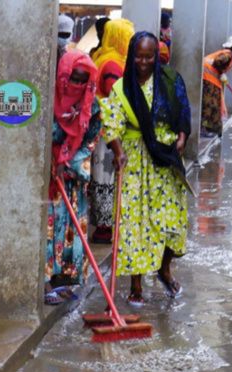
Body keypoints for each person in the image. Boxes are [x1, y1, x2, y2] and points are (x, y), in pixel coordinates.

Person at [100, 32, 192, 306]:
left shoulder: (170, 80)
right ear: (131, 55)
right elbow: (111, 122)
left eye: (148, 56)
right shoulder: (121, 88)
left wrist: (182, 137)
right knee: (133, 223)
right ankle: (136, 284)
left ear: (156, 56)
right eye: (138, 56)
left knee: (171, 221)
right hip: (135, 161)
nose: (143, 61)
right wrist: (117, 152)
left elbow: (184, 114)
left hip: (164, 158)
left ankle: (164, 269)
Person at [45, 50, 102, 305]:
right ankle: (46, 282)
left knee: (70, 229)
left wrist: (68, 162)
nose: (76, 85)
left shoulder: (93, 106)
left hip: (71, 178)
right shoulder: (47, 102)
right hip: (47, 180)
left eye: (82, 80)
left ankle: (64, 280)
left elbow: (91, 140)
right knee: (49, 229)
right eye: (73, 78)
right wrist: (50, 162)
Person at [89, 18, 135, 244]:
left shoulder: (103, 58)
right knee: (106, 177)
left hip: (102, 128)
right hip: (107, 131)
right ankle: (104, 228)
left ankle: (106, 224)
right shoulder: (112, 65)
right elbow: (114, 99)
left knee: (103, 176)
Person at [201, 35, 232, 137]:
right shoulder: (227, 55)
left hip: (210, 79)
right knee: (211, 104)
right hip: (208, 78)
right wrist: (221, 73)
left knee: (214, 103)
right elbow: (218, 62)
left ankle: (212, 128)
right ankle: (206, 129)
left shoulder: (225, 53)